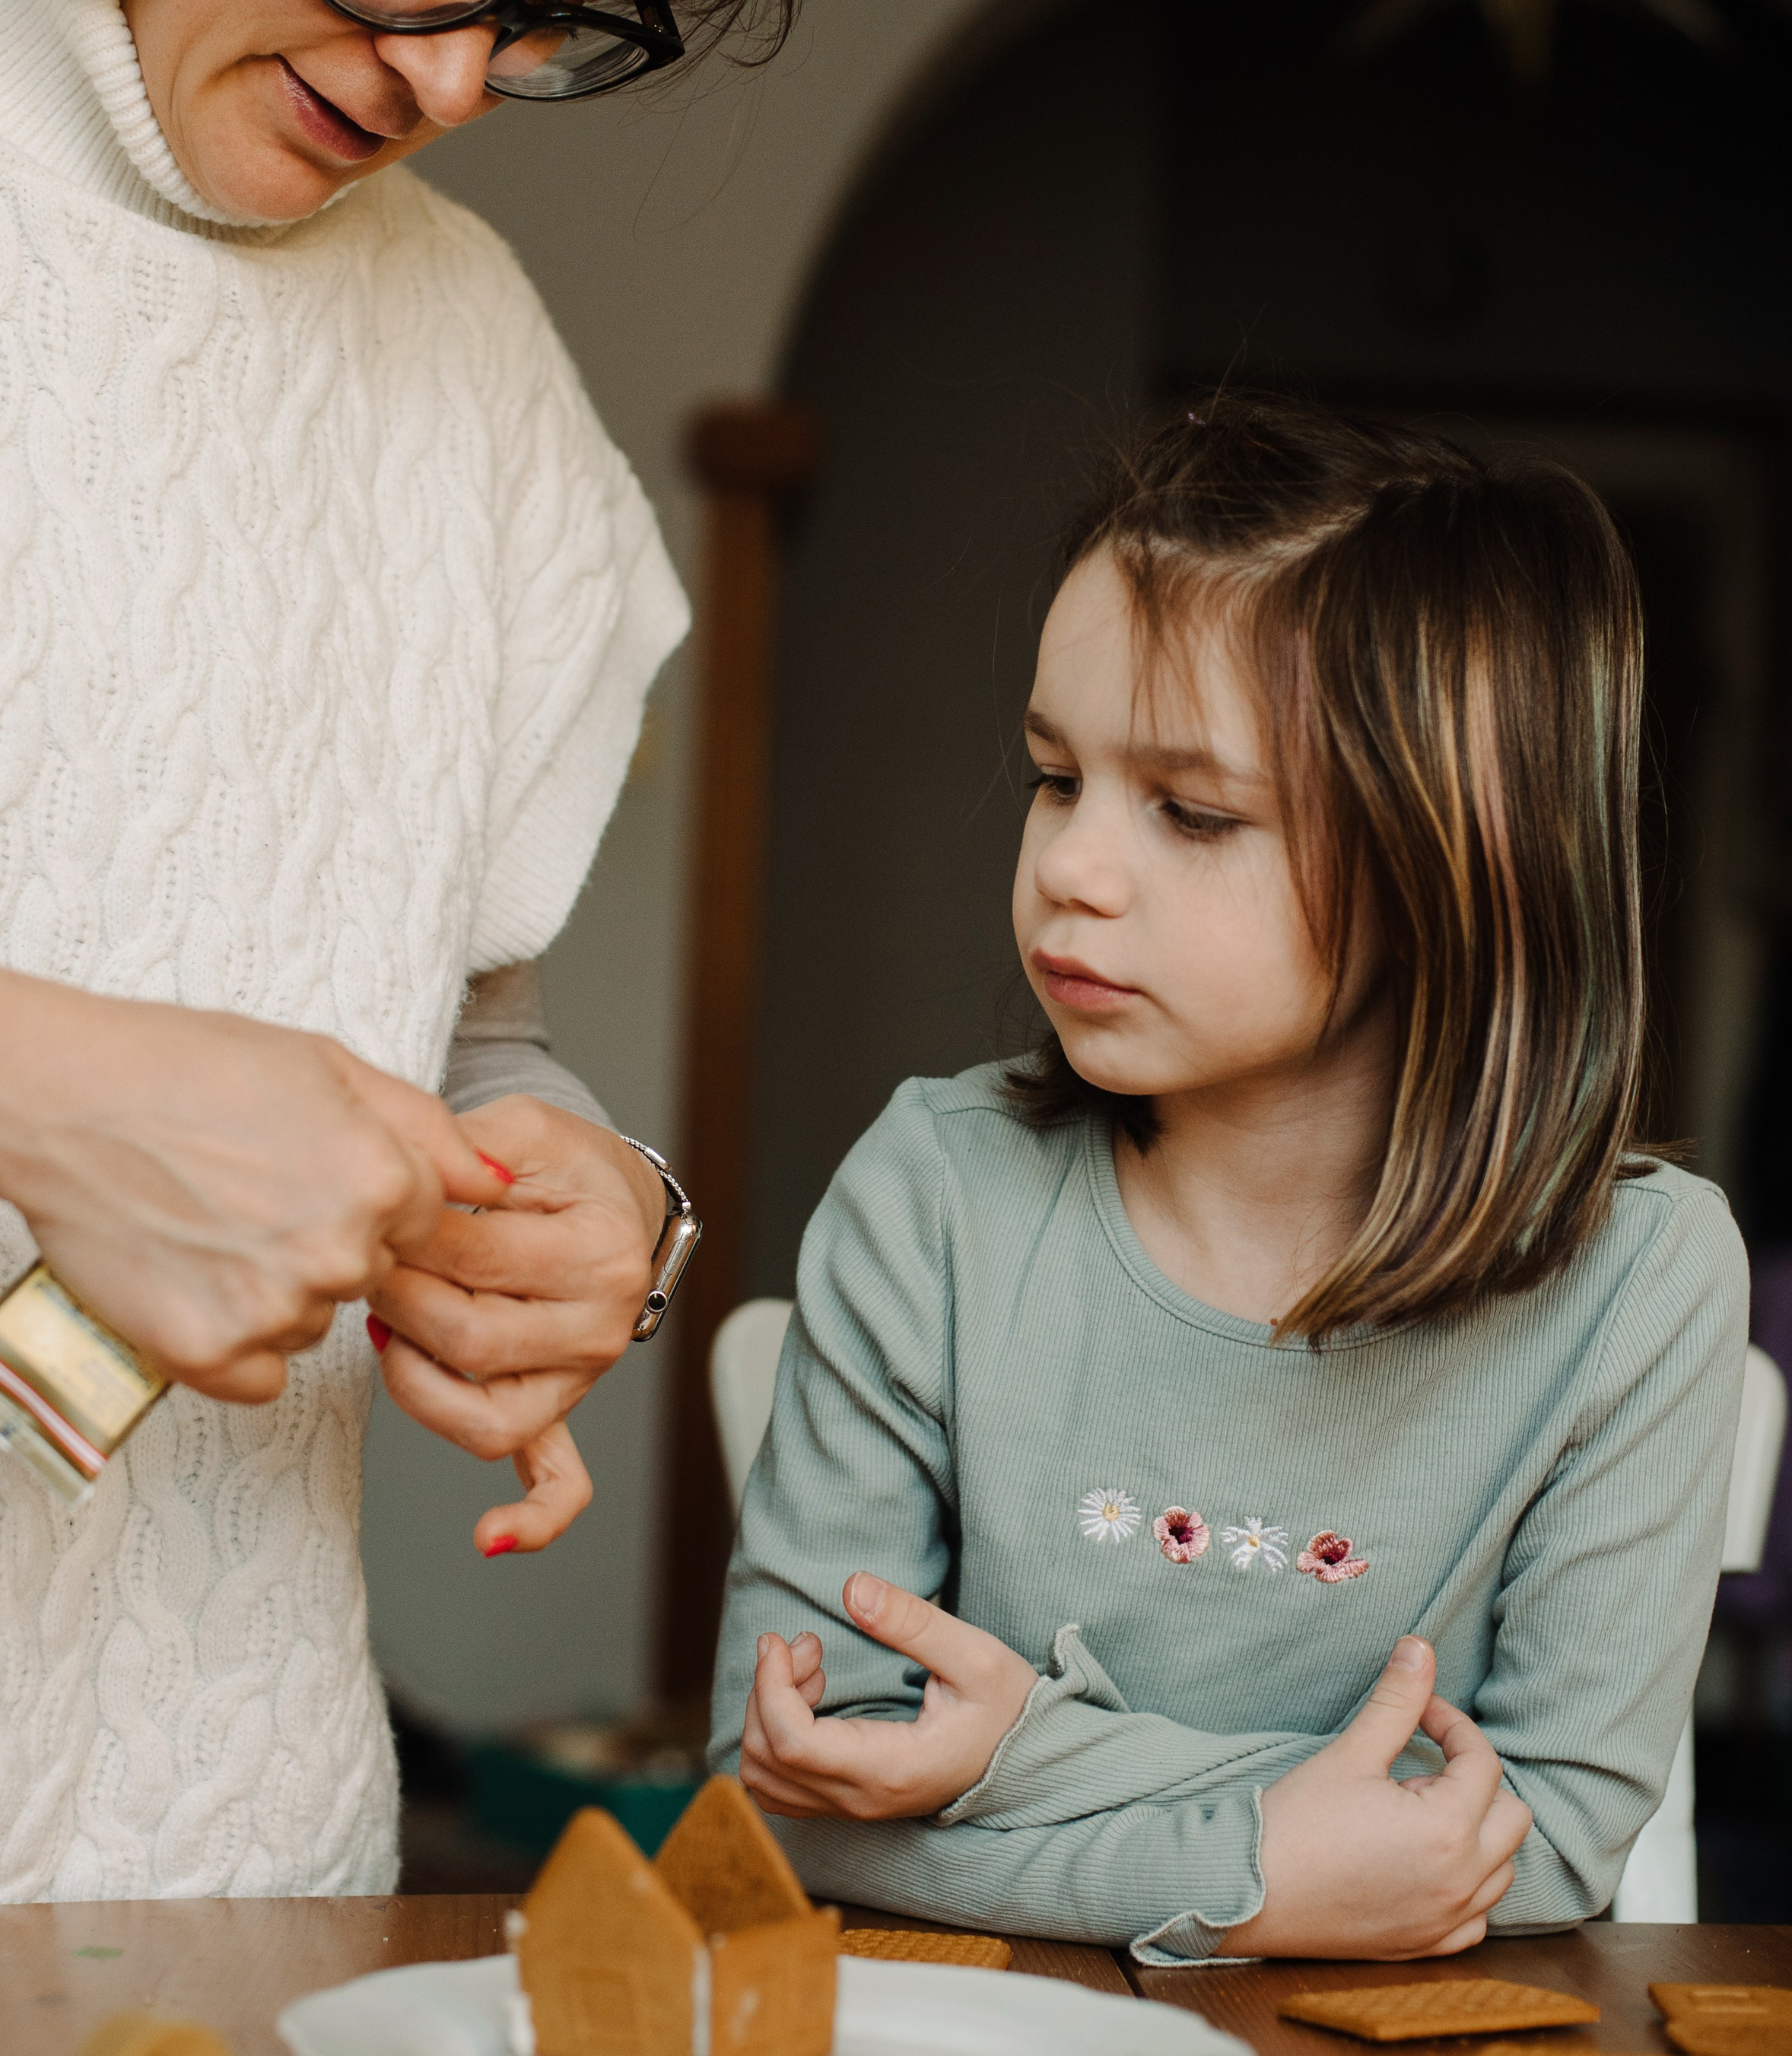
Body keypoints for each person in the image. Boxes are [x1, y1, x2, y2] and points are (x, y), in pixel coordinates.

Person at [0, 0, 824, 1906]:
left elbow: (456, 1008)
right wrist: (22, 1091)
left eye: (559, 4)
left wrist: (570, 1194)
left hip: (227, 1863)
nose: (458, 73)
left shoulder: (468, 350)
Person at [712, 399, 1747, 1962]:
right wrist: (1254, 1869)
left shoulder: (1642, 1281)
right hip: (976, 2054)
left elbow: (1541, 1845)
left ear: (1453, 863)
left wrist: (1012, 1755)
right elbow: (781, 1795)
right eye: (1054, 776)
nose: (1070, 866)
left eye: (1192, 812)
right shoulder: (932, 1195)